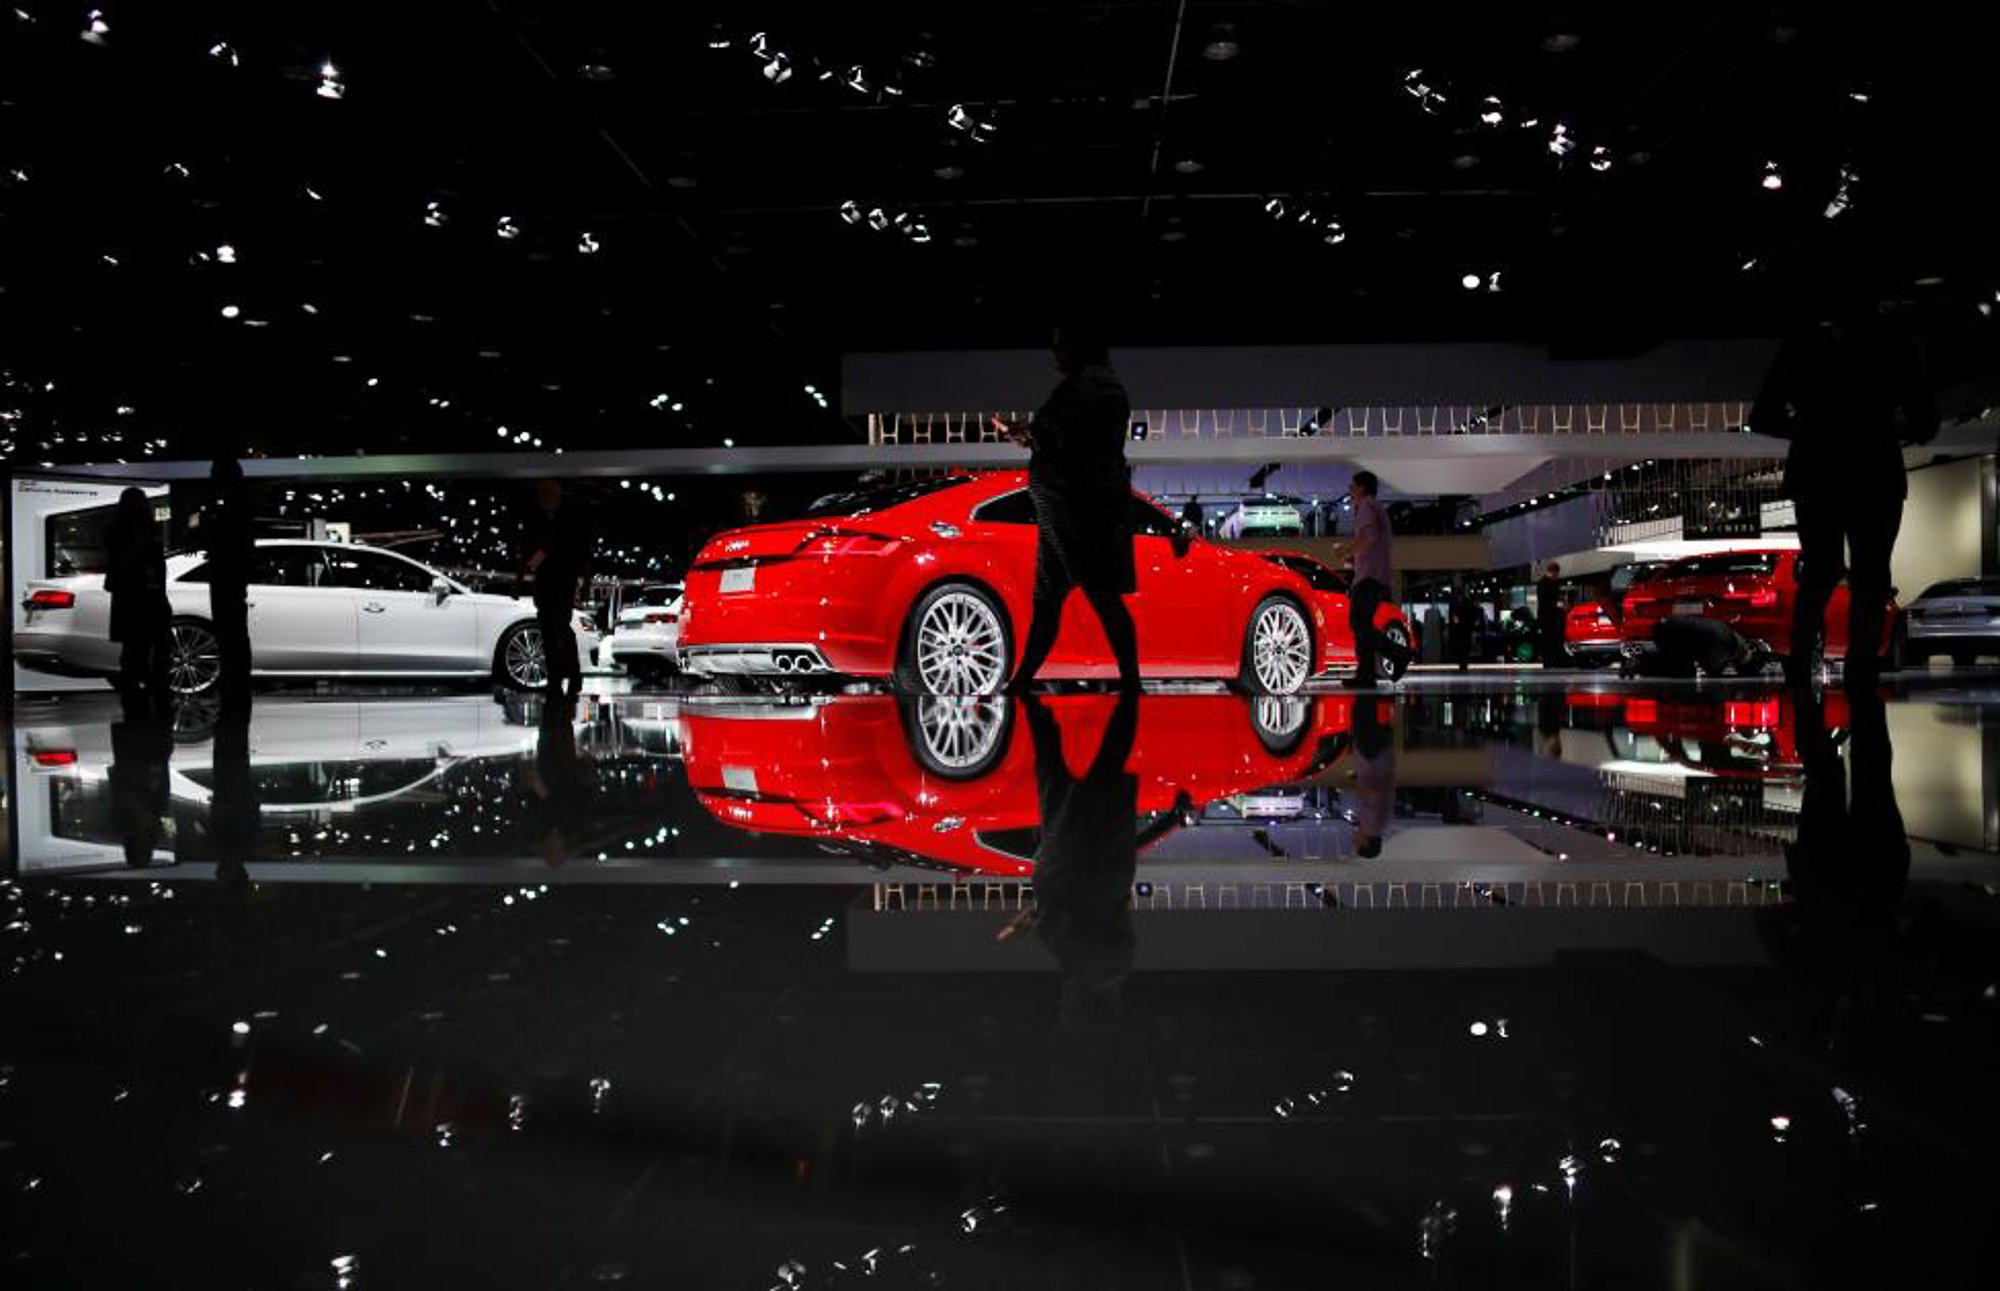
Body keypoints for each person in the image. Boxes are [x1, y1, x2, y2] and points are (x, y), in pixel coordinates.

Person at [1751, 298, 1937, 689]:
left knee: (1820, 570)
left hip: (1817, 471)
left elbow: (1762, 416)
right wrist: (1883, 429)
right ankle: (1861, 663)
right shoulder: (1892, 346)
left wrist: (1809, 432)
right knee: (1871, 573)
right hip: (1874, 470)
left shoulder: (1803, 348)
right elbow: (1926, 419)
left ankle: (1802, 663)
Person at [993, 324, 1139, 693]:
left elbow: (1059, 437)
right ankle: (1024, 678)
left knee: (1095, 594)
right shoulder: (1097, 386)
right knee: (1057, 597)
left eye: (1060, 346)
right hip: (1068, 511)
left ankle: (1132, 683)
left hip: (1080, 512)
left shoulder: (1086, 388)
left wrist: (1025, 433)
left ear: (1079, 348)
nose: (1054, 354)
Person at [522, 480, 590, 697]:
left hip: (563, 582)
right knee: (550, 631)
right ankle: (558, 677)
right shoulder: (538, 520)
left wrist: (586, 582)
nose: (544, 498)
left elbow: (582, 553)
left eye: (548, 494)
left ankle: (568, 676)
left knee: (560, 628)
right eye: (542, 494)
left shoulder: (568, 520)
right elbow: (531, 552)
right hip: (546, 583)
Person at [104, 487, 172, 706]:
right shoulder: (140, 532)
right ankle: (151, 692)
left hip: (134, 598)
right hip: (142, 597)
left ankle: (138, 695)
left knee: (136, 649)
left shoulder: (119, 532)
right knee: (147, 647)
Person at [1344, 471, 1410, 688]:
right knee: (1363, 624)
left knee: (1359, 623)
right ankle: (1366, 674)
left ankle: (1398, 653)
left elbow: (1369, 538)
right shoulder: (1375, 507)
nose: (1349, 489)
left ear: (1362, 487)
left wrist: (1347, 551)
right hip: (1375, 574)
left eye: (1353, 485)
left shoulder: (1366, 506)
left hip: (1369, 576)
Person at [203, 457, 255, 710]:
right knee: (234, 634)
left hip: (226, 577)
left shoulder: (229, 506)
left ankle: (234, 681)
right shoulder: (238, 504)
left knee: (229, 633)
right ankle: (236, 681)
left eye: (215, 472)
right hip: (231, 578)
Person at [1346, 694, 1397, 858]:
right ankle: (1367, 677)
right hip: (1372, 757)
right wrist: (1357, 786)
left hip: (1380, 757)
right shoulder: (1372, 826)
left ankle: (1372, 678)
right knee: (1361, 709)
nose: (1354, 839)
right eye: (1357, 843)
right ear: (1366, 842)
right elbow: (1374, 793)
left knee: (1367, 708)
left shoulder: (1382, 825)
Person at [1536, 561, 1565, 668]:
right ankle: (1549, 662)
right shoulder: (1543, 583)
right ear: (1552, 572)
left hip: (1552, 617)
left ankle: (1553, 661)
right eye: (1556, 574)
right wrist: (1557, 604)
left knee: (1553, 640)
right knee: (1548, 641)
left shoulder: (1552, 583)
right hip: (1547, 617)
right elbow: (1544, 601)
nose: (1557, 576)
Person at [1449, 591, 1477, 673]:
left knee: (1463, 646)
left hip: (1462, 629)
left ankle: (1463, 663)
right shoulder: (1465, 602)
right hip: (1464, 629)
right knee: (1464, 647)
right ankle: (1463, 663)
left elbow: (1454, 616)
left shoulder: (1457, 603)